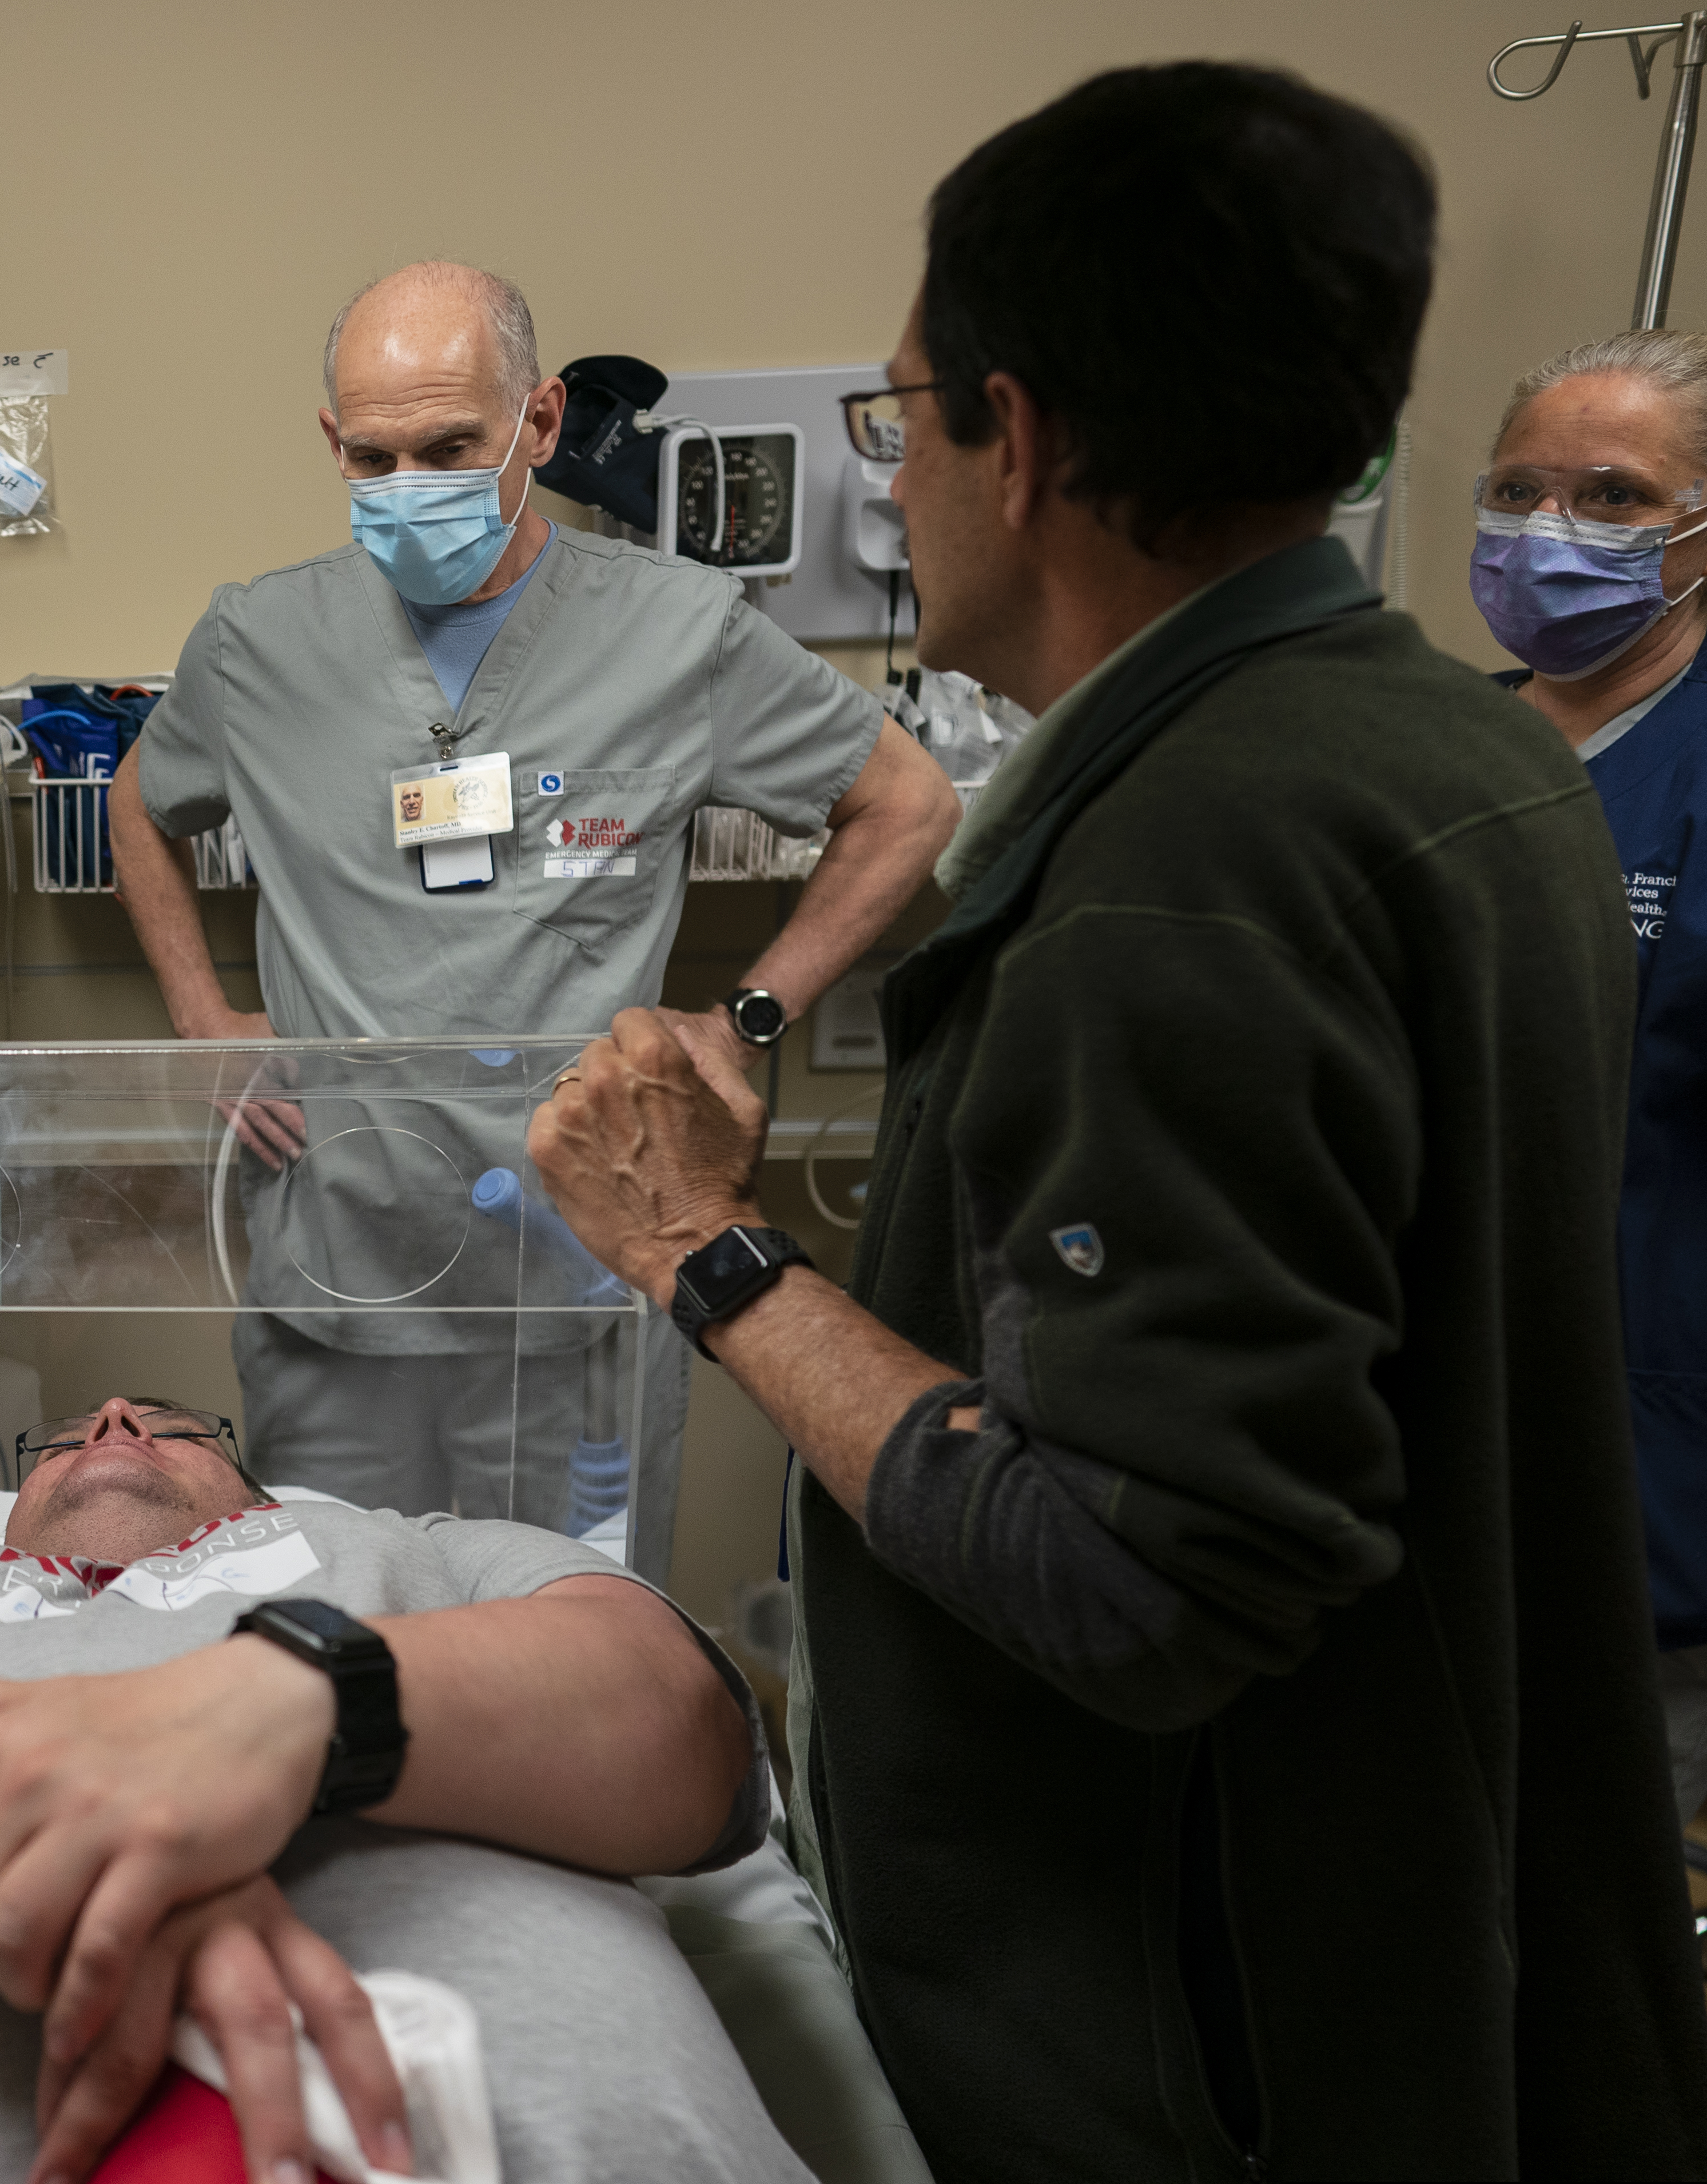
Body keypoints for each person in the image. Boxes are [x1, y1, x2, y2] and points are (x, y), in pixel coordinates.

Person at [523, 63, 1707, 2181]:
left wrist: (704, 1248)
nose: (894, 487)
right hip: (1459, 1970)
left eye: (901, 422)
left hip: (1226, 2052)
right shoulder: (1464, 751)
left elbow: (1146, 1581)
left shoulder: (1181, 873)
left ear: (1025, 433)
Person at [109, 261, 958, 1528]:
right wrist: (200, 1014)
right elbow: (138, 802)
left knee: (578, 1658)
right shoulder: (261, 642)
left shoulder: (680, 632)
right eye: (374, 459)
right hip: (348, 1259)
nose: (412, 490)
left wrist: (745, 1019)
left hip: (582, 1265)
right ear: (332, 444)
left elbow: (910, 805)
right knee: (340, 1647)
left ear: (541, 422)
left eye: (452, 446)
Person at [0, 1396, 789, 2184]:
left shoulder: (427, 1542)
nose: (117, 1417)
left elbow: (682, 1725)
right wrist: (94, 1790)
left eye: (174, 1423)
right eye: (70, 1433)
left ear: (257, 1493)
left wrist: (294, 1706)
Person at [1473, 330, 1707, 1826]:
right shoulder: (1440, 748)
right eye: (1516, 488)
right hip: (1430, 1459)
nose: (1551, 530)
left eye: (1613, 498)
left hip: (1661, 1480)